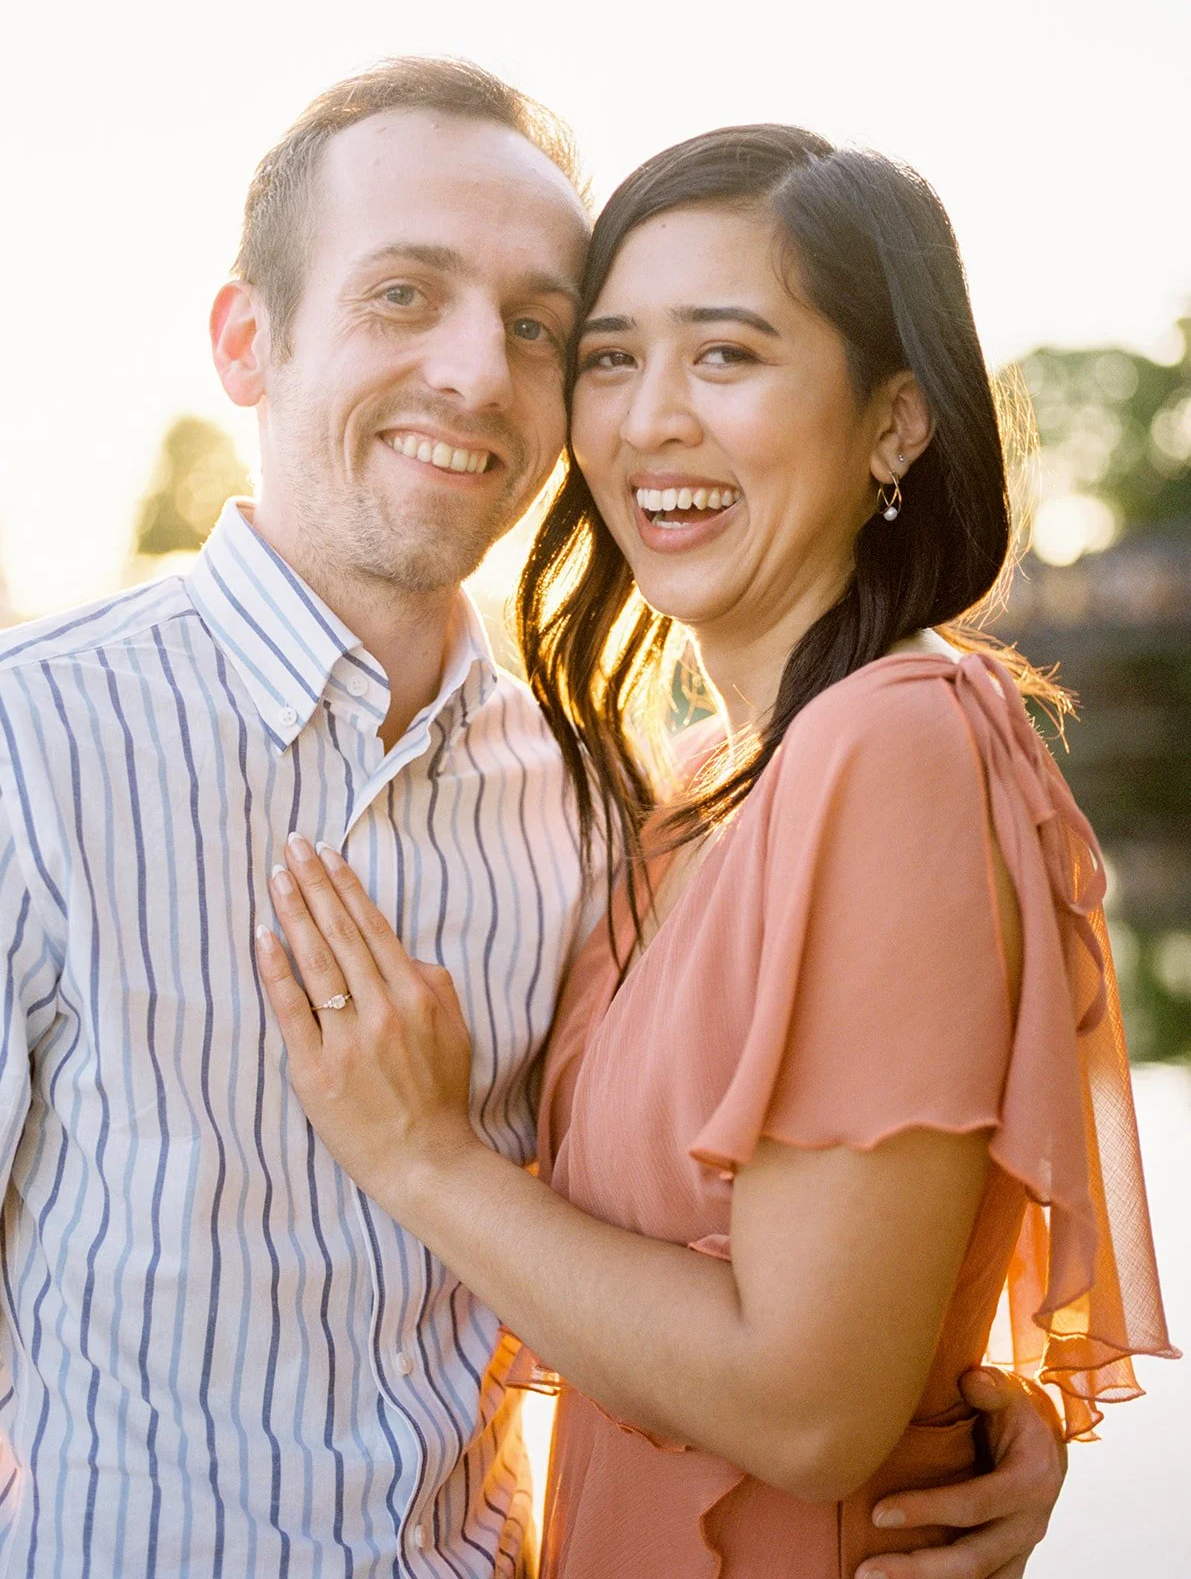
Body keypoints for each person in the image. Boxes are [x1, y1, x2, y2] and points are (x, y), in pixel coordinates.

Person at [0, 61, 1065, 1577]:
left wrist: (930, 1408)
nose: (474, 377)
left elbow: (732, 1284)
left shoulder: (591, 796)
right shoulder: (27, 744)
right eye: (401, 297)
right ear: (249, 341)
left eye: (534, 329)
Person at [257, 122, 1178, 1577]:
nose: (648, 422)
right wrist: (953, 1395)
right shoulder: (692, 794)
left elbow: (805, 1411)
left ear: (894, 420)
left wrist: (422, 1158)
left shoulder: (897, 744)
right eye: (610, 358)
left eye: (728, 355)